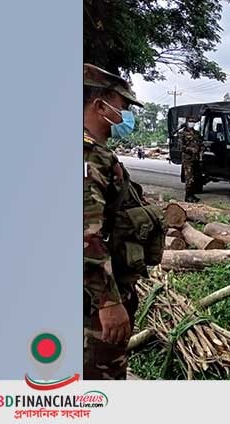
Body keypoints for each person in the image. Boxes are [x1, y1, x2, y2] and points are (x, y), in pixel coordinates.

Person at [83, 63, 165, 379]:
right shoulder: (88, 156)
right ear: (99, 105)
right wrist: (108, 303)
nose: (125, 115)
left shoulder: (96, 153)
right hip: (92, 307)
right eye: (122, 107)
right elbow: (85, 235)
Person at [179, 117, 203, 202]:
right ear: (187, 122)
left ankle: (192, 195)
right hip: (187, 159)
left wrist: (201, 151)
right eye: (190, 121)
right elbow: (181, 147)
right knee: (189, 177)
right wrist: (191, 149)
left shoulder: (196, 133)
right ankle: (188, 196)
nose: (192, 123)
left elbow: (200, 143)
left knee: (195, 177)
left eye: (193, 121)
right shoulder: (183, 133)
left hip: (196, 158)